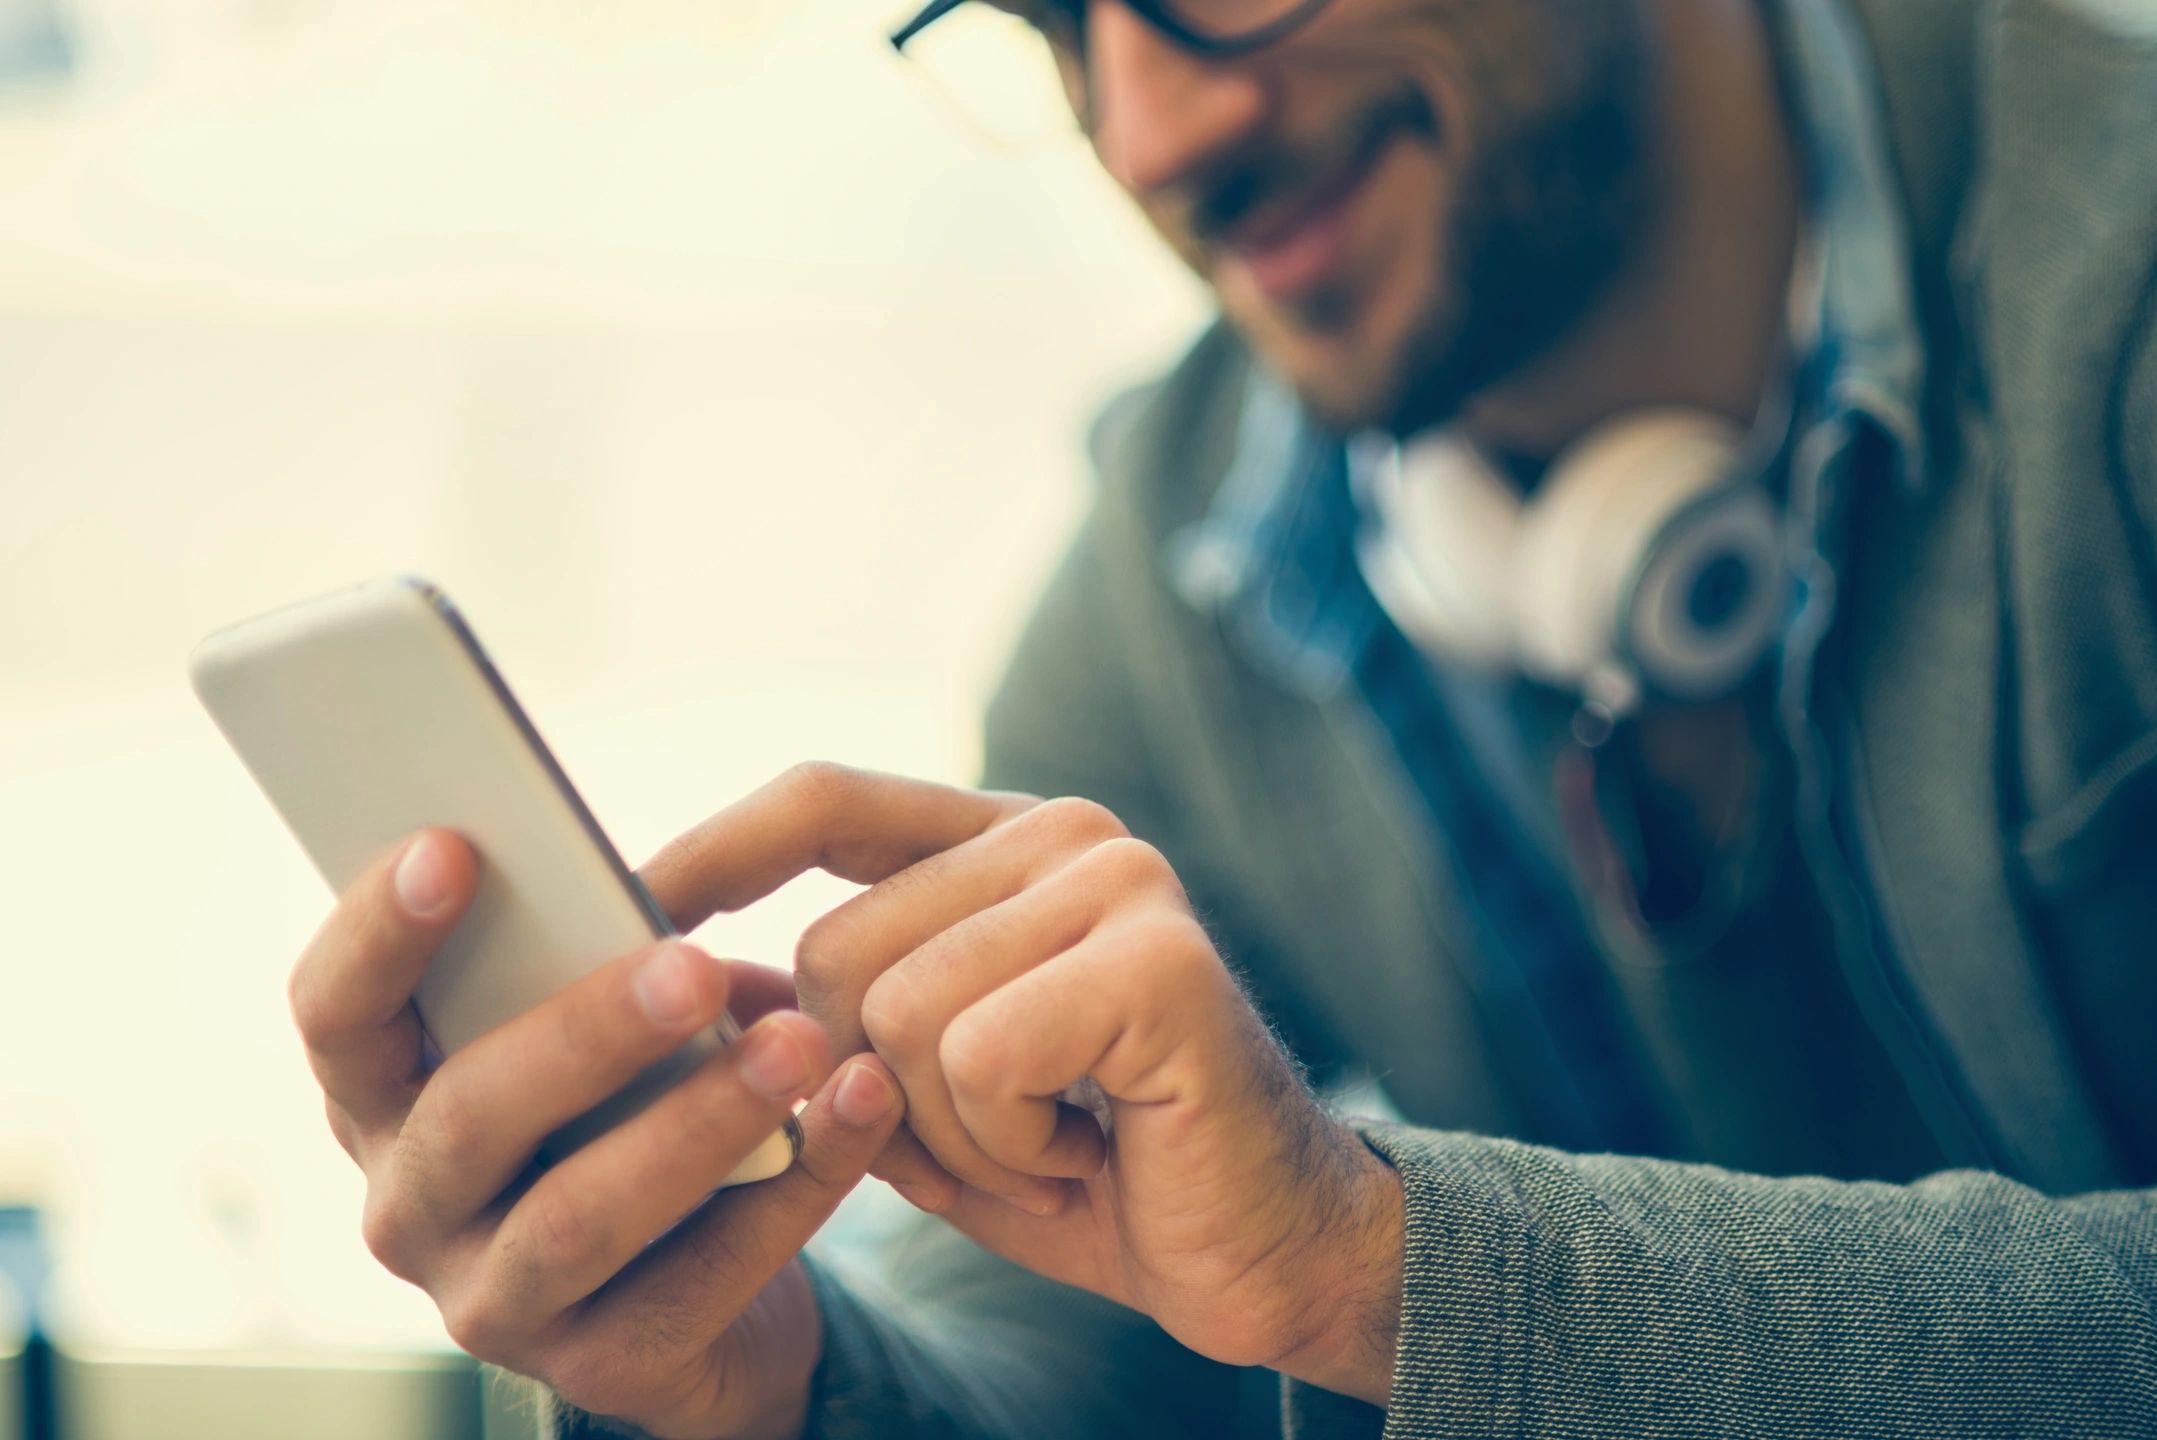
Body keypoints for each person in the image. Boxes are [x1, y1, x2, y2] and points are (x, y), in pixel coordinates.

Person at [285, 0, 2157, 1434]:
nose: (1153, 127)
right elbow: (1061, 1371)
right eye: (1047, 20)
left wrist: (1385, 1272)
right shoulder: (1164, 598)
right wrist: (764, 1379)